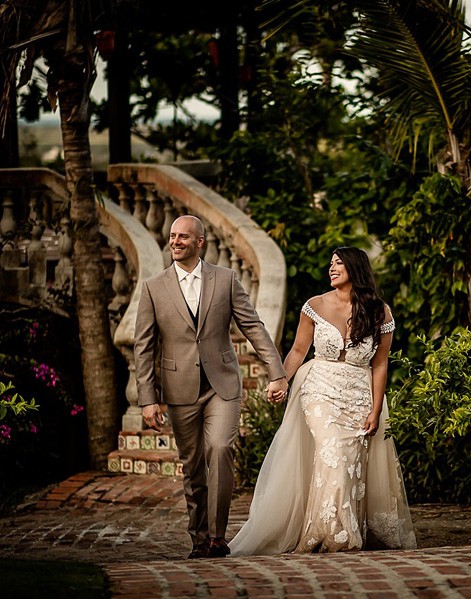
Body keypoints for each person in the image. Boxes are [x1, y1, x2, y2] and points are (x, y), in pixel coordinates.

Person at [229, 246, 416, 555]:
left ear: (354, 268)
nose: (331, 268)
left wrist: (376, 407)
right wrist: (281, 379)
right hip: (319, 388)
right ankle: (335, 533)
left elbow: (380, 363)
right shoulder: (314, 306)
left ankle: (327, 526)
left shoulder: (379, 311)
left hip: (359, 392)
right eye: (330, 264)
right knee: (334, 449)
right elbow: (299, 351)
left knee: (351, 459)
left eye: (338, 263)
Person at [134, 215, 288, 560]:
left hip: (222, 384)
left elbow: (253, 326)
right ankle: (198, 538)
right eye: (172, 236)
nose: (175, 241)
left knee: (220, 449)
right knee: (192, 466)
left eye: (183, 237)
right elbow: (143, 347)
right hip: (179, 389)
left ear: (199, 242)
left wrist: (276, 372)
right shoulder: (153, 287)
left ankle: (218, 537)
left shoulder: (226, 279)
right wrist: (148, 398)